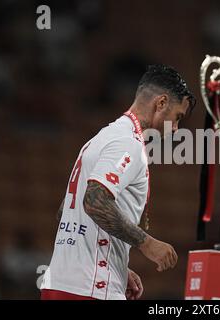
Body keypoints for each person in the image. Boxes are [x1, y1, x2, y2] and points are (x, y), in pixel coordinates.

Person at [40, 64, 196, 300]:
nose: (175, 129)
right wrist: (147, 243)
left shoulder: (101, 137)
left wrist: (115, 261)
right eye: (177, 118)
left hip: (61, 283)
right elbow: (93, 201)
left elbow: (65, 211)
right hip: (91, 290)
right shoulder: (128, 143)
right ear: (161, 103)